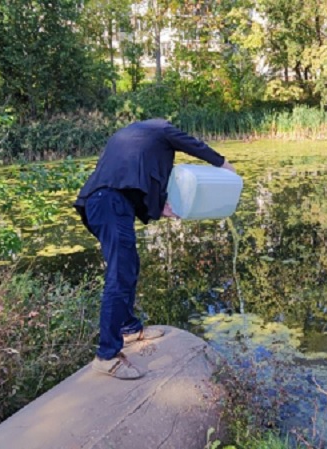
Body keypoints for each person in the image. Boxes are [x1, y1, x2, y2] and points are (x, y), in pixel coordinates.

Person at [74, 119, 236, 380]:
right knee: (120, 275)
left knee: (128, 267)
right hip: (109, 203)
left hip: (103, 203)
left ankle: (128, 328)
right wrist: (224, 165)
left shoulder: (128, 138)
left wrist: (158, 207)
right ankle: (107, 356)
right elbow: (195, 146)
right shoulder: (161, 130)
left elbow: (131, 183)